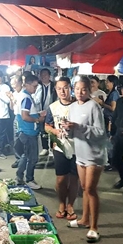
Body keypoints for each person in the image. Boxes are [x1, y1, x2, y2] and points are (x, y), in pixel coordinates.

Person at [63, 76, 107, 243]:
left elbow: (100, 132)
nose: (80, 92)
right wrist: (67, 130)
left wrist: (78, 126)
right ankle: (84, 220)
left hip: (94, 154)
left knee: (90, 189)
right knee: (84, 188)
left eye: (83, 89)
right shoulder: (73, 107)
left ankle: (94, 228)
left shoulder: (94, 106)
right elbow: (73, 131)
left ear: (89, 90)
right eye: (77, 89)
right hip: (80, 152)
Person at [45, 77, 79, 220]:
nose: (62, 91)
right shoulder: (53, 107)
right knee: (61, 180)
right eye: (59, 89)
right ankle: (61, 204)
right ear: (56, 90)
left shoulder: (79, 105)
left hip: (78, 147)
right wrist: (55, 131)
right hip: (60, 148)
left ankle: (70, 205)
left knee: (74, 179)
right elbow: (47, 126)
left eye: (65, 88)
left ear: (70, 88)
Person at [15, 74, 46, 190]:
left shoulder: (23, 95)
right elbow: (25, 116)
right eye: (34, 86)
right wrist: (38, 119)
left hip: (24, 131)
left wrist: (37, 114)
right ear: (27, 85)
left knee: (25, 155)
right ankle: (29, 179)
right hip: (28, 132)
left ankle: (19, 177)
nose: (36, 88)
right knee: (32, 158)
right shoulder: (26, 98)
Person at [35, 68, 56, 156]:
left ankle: (52, 147)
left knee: (52, 129)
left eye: (45, 75)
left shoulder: (54, 85)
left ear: (49, 76)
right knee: (42, 130)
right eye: (42, 75)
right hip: (41, 111)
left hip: (52, 111)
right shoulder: (37, 86)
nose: (43, 76)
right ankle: (45, 148)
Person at [8, 75, 24, 168]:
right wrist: (11, 99)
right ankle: (19, 159)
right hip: (16, 118)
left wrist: (13, 99)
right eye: (11, 84)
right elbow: (12, 107)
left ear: (20, 83)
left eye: (14, 83)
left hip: (24, 118)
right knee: (16, 139)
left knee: (24, 139)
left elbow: (22, 106)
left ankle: (25, 159)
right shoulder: (14, 93)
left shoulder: (24, 93)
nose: (13, 86)